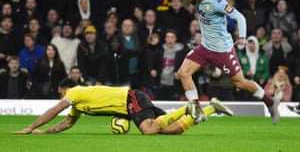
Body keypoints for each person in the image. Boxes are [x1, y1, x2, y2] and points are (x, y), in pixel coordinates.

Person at [163, 0, 278, 124]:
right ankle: (197, 111)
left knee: (240, 82)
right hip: (205, 47)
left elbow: (240, 17)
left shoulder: (215, 2)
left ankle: (269, 101)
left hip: (222, 50)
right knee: (183, 73)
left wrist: (243, 37)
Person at [11, 79, 233, 135]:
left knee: (148, 130)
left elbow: (54, 111)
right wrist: (45, 132)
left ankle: (187, 108)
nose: (62, 98)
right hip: (132, 104)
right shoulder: (78, 106)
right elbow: (66, 122)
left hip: (131, 98)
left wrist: (30, 127)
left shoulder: (74, 92)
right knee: (169, 129)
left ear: (66, 89)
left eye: (62, 94)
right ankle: (212, 108)